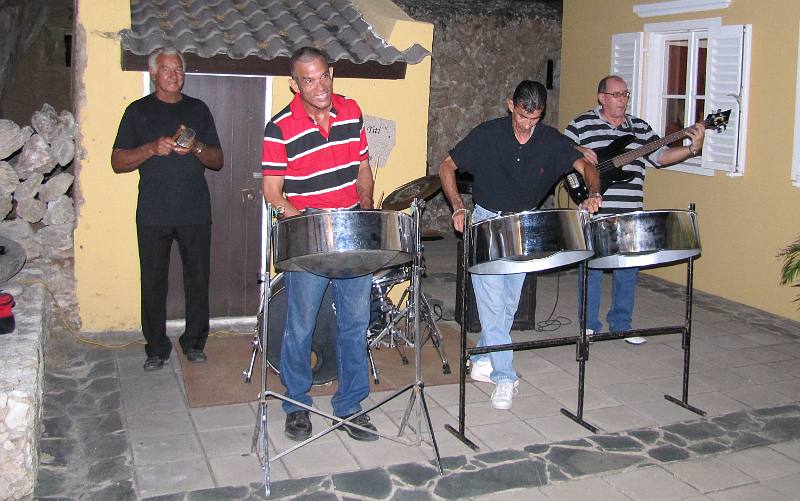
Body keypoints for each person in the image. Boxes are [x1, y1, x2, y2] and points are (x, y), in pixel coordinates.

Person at [439, 81, 602, 410]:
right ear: (511, 104)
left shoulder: (549, 140)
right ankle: (504, 376)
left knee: (508, 307)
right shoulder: (488, 134)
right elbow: (446, 166)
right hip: (486, 222)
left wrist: (593, 193)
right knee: (491, 306)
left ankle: (484, 359)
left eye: (536, 118)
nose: (529, 124)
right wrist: (458, 205)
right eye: (524, 117)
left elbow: (586, 166)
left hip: (524, 225)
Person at [261, 47, 377, 442]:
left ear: (332, 73)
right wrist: (308, 224)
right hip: (309, 230)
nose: (320, 86)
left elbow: (363, 167)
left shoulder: (352, 110)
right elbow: (273, 193)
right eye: (308, 80)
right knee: (300, 325)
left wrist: (365, 210)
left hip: (350, 229)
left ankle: (350, 406)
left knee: (356, 322)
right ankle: (296, 404)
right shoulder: (279, 127)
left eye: (324, 75)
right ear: (295, 84)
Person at [564, 75, 705, 344]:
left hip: (630, 210)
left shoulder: (639, 128)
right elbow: (559, 149)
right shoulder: (581, 123)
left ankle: (621, 324)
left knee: (628, 268)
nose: (622, 100)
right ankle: (589, 325)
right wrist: (578, 148)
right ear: (601, 97)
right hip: (594, 208)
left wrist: (691, 150)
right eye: (616, 95)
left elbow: (661, 157)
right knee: (592, 267)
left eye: (625, 95)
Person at [111, 48, 224, 371]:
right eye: (166, 69)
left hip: (194, 211)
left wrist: (197, 147)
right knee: (153, 281)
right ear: (153, 74)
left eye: (178, 69)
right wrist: (151, 148)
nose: (173, 74)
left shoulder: (198, 109)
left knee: (198, 280)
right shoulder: (138, 111)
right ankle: (156, 348)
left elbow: (218, 160)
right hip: (153, 211)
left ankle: (194, 342)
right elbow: (117, 162)